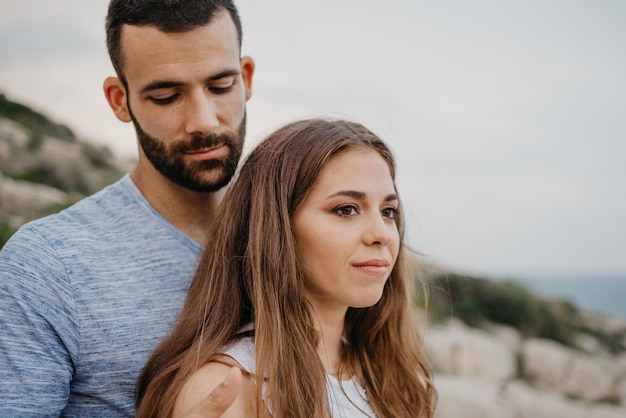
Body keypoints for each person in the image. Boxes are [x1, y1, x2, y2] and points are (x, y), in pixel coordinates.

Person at [0, 0, 254, 416]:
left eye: (221, 86)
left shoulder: (295, 240)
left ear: (246, 78)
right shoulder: (45, 267)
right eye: (166, 96)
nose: (204, 121)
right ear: (119, 100)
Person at [136, 118, 437, 417]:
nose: (382, 233)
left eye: (388, 212)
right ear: (275, 227)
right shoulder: (225, 390)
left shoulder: (393, 376)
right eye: (346, 209)